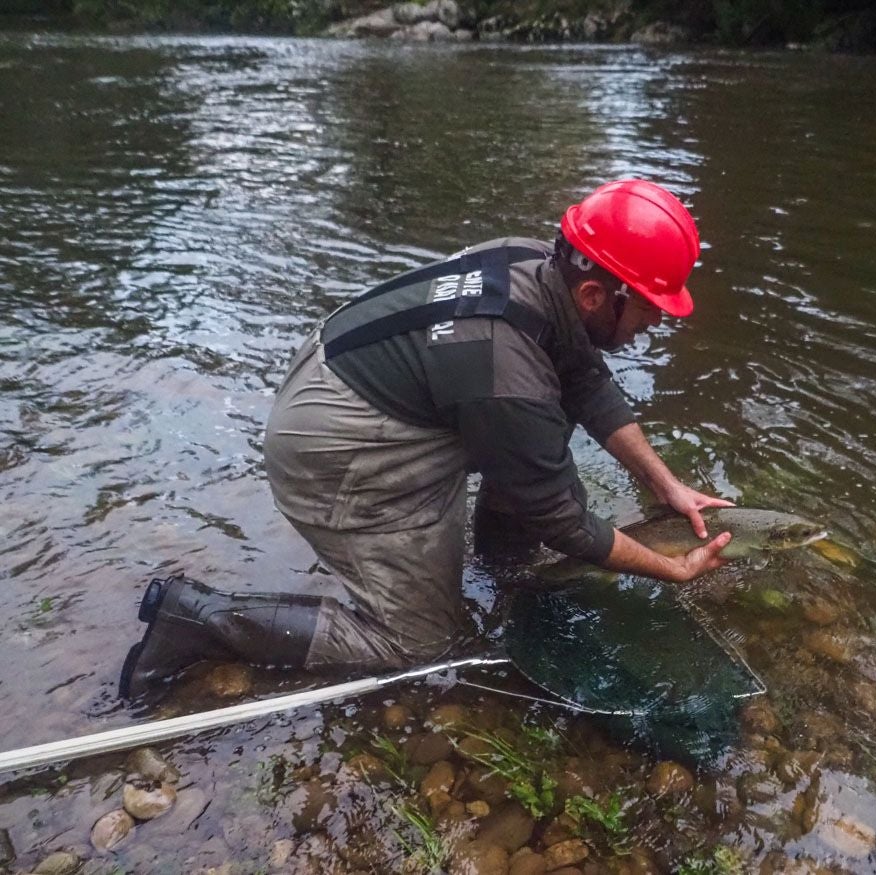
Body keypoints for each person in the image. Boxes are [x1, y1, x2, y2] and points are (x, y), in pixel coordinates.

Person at [119, 179, 733, 699]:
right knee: (418, 646)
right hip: (332, 447)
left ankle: (502, 561)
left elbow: (584, 382)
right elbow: (564, 522)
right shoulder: (505, 366)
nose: (657, 321)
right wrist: (669, 568)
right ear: (595, 294)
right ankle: (199, 619)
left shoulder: (535, 266)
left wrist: (666, 485)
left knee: (537, 421)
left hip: (349, 380)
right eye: (649, 307)